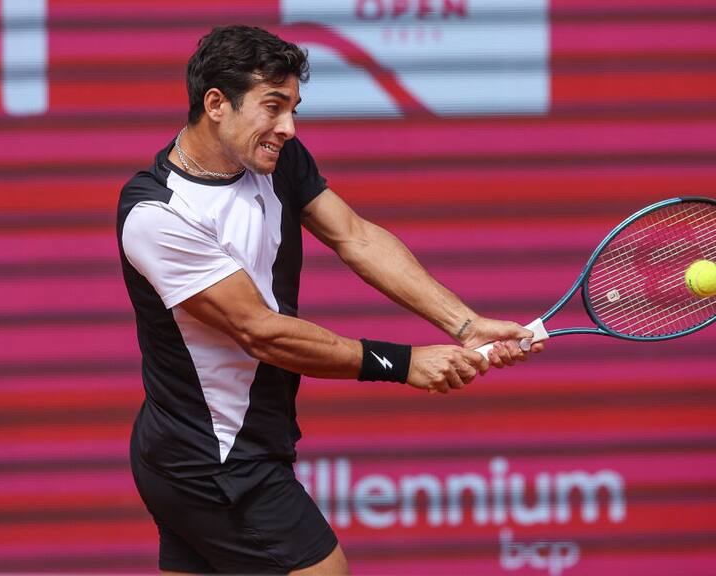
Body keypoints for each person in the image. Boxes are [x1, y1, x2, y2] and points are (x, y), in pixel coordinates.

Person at [117, 24, 543, 575]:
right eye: (273, 107)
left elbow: (355, 237)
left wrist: (465, 326)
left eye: (294, 108)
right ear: (216, 103)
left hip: (208, 449)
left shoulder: (272, 158)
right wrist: (403, 363)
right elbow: (259, 331)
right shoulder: (158, 215)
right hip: (212, 458)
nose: (288, 127)